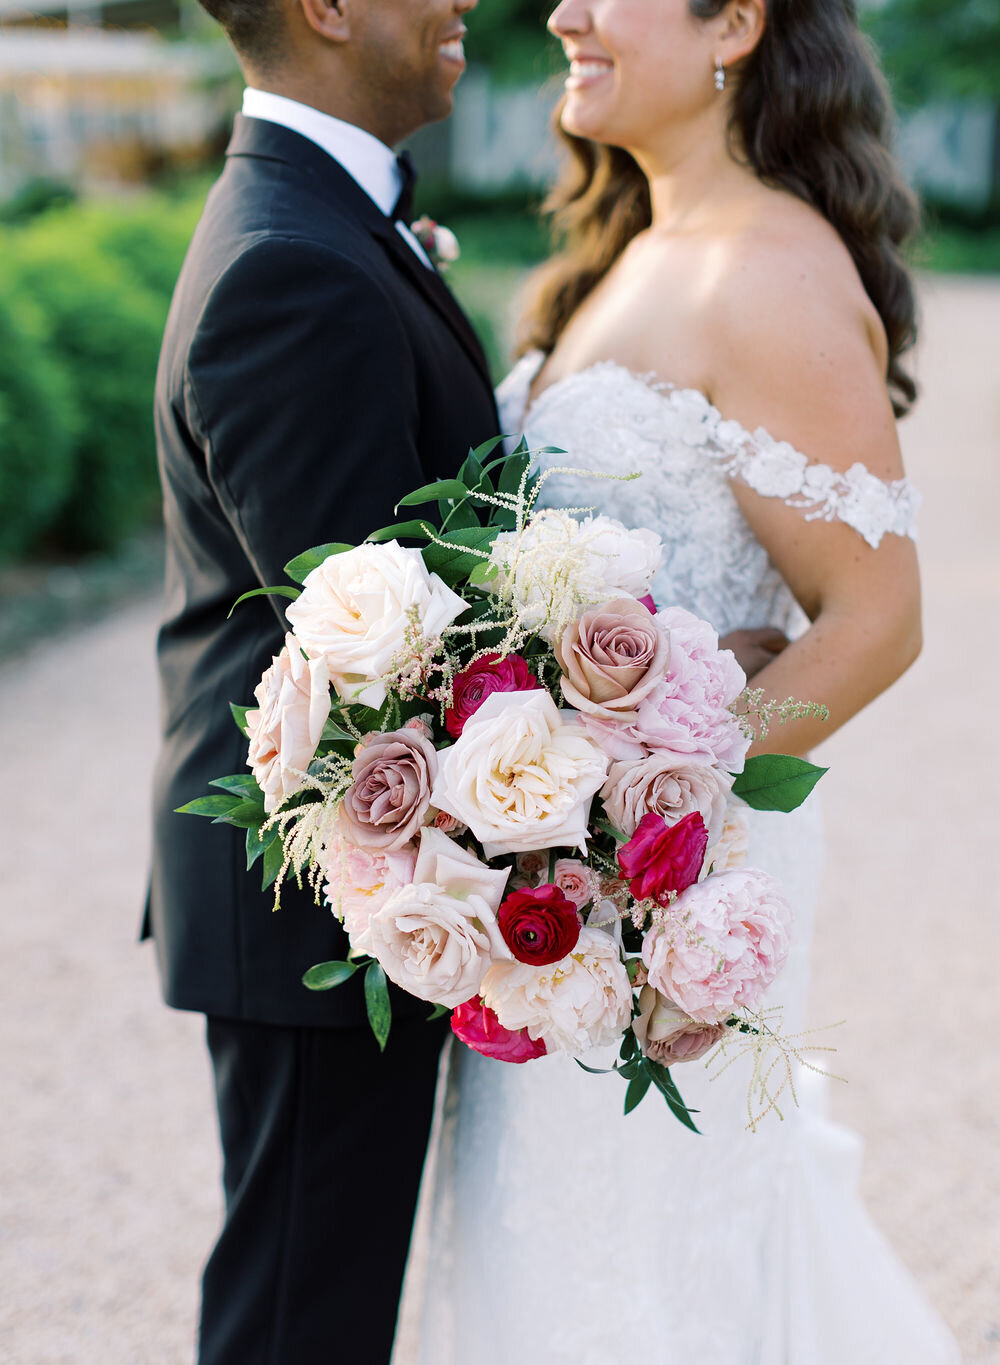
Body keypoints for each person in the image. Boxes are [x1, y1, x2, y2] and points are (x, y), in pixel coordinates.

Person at [402, 1, 963, 1361]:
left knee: (650, 1287)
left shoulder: (769, 268)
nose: (561, 13)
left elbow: (877, 614)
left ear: (736, 22)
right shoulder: (629, 253)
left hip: (665, 919)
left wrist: (645, 839)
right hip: (560, 922)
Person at [144, 1, 497, 1361]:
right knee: (301, 1319)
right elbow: (377, 648)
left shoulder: (321, 223)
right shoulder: (289, 264)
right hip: (314, 897)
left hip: (347, 888)